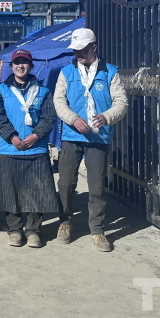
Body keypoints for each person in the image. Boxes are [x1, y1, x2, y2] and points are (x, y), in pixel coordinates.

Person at [53, 28, 128, 252]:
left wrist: (107, 116)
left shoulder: (110, 72)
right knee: (66, 182)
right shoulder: (66, 72)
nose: (78, 54)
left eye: (82, 49)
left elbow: (121, 102)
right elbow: (59, 101)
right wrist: (73, 119)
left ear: (94, 47)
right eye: (75, 50)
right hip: (72, 135)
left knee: (96, 186)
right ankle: (65, 221)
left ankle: (97, 229)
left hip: (98, 137)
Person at [0, 49, 59, 248]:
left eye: (24, 62)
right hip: (10, 149)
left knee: (36, 191)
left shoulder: (43, 91)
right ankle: (14, 230)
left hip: (36, 149)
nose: (20, 66)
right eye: (17, 62)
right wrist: (12, 137)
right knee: (10, 191)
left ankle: (33, 230)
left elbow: (49, 117)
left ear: (31, 66)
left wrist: (36, 135)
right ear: (11, 66)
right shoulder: (1, 90)